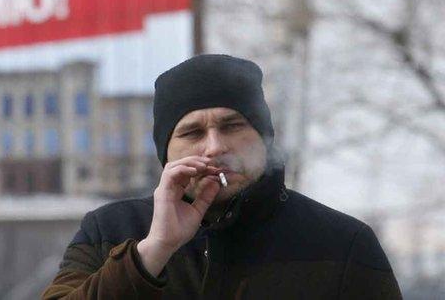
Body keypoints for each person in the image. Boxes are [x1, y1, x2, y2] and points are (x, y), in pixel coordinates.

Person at [42, 54, 401, 299]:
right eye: (192, 133)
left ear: (264, 139)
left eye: (232, 126)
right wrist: (152, 252)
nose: (214, 147)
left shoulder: (343, 243)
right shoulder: (109, 230)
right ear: (166, 152)